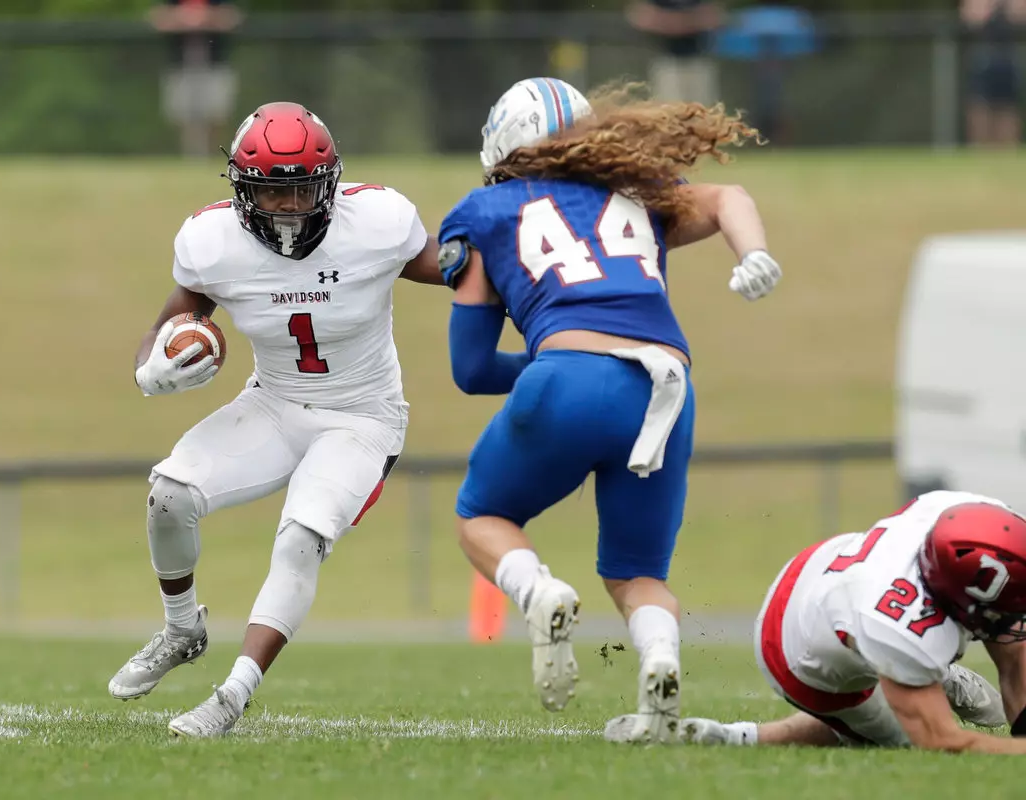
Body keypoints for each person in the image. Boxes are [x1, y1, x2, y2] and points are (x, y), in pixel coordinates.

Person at [436, 77, 781, 742]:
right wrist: (755, 253)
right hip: (665, 387)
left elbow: (471, 370)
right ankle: (659, 664)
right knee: (637, 573)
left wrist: (553, 370)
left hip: (565, 374)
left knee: (482, 516)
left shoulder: (483, 213)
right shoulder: (639, 196)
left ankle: (539, 593)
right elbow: (730, 197)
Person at [109, 101, 444, 738]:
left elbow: (457, 270)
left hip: (362, 417)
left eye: (302, 188)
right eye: (272, 191)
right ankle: (181, 630)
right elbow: (166, 325)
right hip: (274, 402)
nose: (289, 206)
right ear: (240, 190)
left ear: (332, 183)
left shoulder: (375, 222)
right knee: (169, 497)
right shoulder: (212, 243)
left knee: (298, 539)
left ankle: (231, 698)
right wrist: (150, 368)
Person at [608, 491, 1026, 753]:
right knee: (894, 741)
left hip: (830, 567)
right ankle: (736, 736)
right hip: (792, 645)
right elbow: (941, 742)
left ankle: (932, 674)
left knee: (1010, 642)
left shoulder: (964, 514)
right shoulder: (899, 628)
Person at [150, 0, 244, 158]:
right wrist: (184, 18)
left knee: (217, 114)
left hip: (215, 64)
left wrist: (205, 17)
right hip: (180, 64)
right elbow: (157, 18)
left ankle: (215, 156)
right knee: (183, 116)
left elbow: (233, 18)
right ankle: (189, 157)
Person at [627, 0, 723, 107]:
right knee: (668, 107)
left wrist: (674, 21)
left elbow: (714, 17)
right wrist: (684, 20)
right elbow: (639, 16)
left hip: (698, 61)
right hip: (666, 62)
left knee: (703, 107)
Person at [962, 0, 1025, 148]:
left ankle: (1008, 150)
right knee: (979, 106)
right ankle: (979, 149)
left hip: (1008, 58)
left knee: (1008, 108)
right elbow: (970, 18)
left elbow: (1020, 16)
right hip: (984, 56)